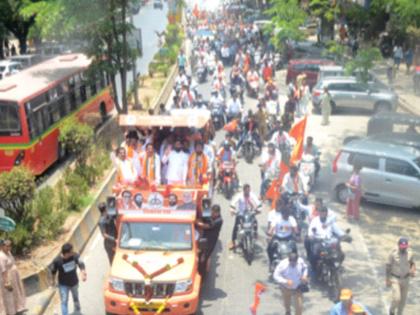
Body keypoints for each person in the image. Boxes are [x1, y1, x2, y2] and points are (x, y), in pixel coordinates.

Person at [51, 243, 87, 315]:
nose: (72, 252)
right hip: (63, 284)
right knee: (64, 301)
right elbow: (53, 271)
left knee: (75, 297)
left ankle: (77, 310)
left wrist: (83, 272)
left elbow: (81, 263)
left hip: (74, 282)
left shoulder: (74, 256)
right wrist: (53, 281)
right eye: (71, 251)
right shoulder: (57, 261)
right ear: (66, 253)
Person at [307, 206, 345, 270]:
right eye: (321, 214)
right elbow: (311, 231)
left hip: (330, 241)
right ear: (319, 213)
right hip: (319, 241)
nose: (323, 216)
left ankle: (337, 265)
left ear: (327, 214)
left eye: (324, 214)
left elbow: (337, 230)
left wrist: (344, 235)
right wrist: (311, 236)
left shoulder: (330, 221)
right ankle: (314, 268)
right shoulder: (315, 220)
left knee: (341, 254)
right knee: (314, 255)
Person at [386, 237, 416, 315]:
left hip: (406, 279)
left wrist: (412, 270)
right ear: (398, 245)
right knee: (397, 298)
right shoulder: (393, 253)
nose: (403, 248)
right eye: (402, 247)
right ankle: (392, 311)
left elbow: (412, 263)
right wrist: (387, 279)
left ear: (407, 246)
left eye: (405, 247)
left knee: (402, 301)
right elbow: (388, 266)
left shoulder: (410, 253)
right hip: (395, 279)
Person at [229, 184, 261, 250]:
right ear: (244, 191)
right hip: (241, 213)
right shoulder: (239, 195)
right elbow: (233, 203)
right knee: (236, 226)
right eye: (247, 191)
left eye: (249, 191)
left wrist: (258, 209)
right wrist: (232, 209)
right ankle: (233, 241)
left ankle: (255, 234)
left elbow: (258, 203)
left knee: (255, 222)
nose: (248, 192)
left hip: (249, 213)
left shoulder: (251, 195)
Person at [267, 200, 298, 266]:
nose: (287, 216)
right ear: (282, 213)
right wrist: (269, 234)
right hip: (278, 237)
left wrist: (297, 234)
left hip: (288, 238)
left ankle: (295, 263)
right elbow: (272, 228)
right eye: (285, 214)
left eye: (288, 214)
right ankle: (271, 262)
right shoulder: (277, 219)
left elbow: (295, 228)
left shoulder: (291, 219)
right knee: (270, 248)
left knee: (294, 249)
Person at [0, 240, 26, 315]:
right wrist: (6, 282)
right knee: (9, 295)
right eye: (7, 246)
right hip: (7, 278)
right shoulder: (1, 256)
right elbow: (3, 270)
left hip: (14, 277)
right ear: (2, 246)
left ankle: (18, 307)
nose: (9, 247)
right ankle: (11, 312)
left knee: (16, 292)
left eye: (10, 245)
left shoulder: (8, 253)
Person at [196, 205, 223, 273]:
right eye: (211, 212)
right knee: (199, 254)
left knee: (204, 257)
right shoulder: (210, 216)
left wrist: (197, 223)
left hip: (210, 241)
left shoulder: (219, 221)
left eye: (213, 213)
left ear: (218, 213)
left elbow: (206, 226)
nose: (212, 214)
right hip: (204, 238)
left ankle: (202, 272)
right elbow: (203, 217)